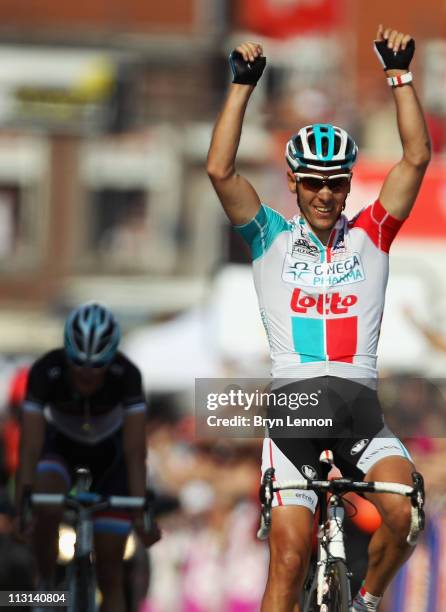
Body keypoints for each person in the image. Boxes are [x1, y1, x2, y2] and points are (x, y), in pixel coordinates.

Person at [207, 24, 431, 612]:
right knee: (286, 559)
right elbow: (220, 172)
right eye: (313, 183)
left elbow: (415, 157)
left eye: (336, 184)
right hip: (295, 410)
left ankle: (364, 602)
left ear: (349, 183)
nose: (326, 195)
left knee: (405, 514)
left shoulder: (373, 235)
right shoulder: (269, 237)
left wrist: (398, 76)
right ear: (293, 182)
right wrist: (242, 86)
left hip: (359, 408)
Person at [15, 302, 160, 612]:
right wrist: (23, 502)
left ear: (111, 360)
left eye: (97, 366)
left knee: (111, 570)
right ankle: (44, 585)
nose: (87, 374)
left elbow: (135, 451)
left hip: (113, 459)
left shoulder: (127, 374)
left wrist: (140, 511)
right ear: (66, 354)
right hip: (61, 450)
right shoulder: (45, 370)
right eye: (78, 363)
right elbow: (29, 445)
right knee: (46, 494)